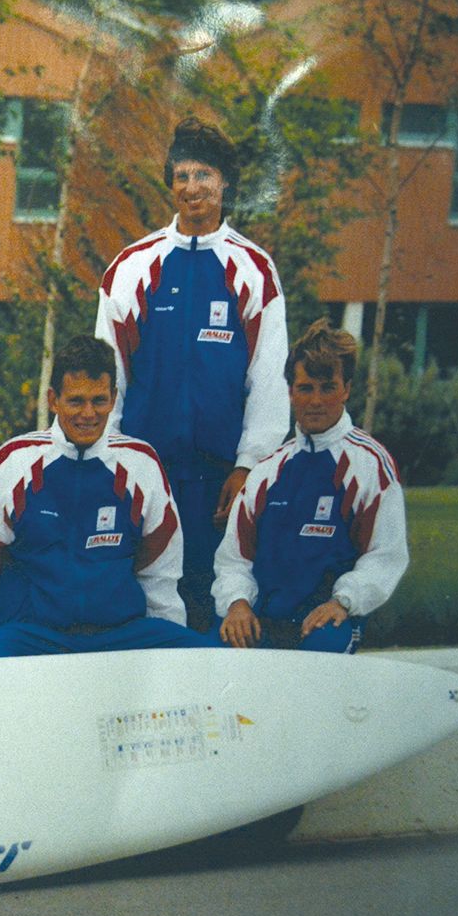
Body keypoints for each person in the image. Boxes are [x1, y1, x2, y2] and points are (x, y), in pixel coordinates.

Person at [95, 117, 289, 632]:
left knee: (209, 598)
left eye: (203, 174)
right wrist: (110, 455)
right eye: (181, 176)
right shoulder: (132, 268)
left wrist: (248, 464)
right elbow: (107, 375)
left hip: (219, 474)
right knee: (141, 596)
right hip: (145, 468)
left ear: (225, 181)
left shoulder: (253, 270)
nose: (192, 187)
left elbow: (268, 381)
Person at [0, 336, 216, 660]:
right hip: (33, 637)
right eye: (76, 401)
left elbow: (160, 580)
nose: (88, 414)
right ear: (53, 399)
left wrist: (168, 667)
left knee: (206, 658)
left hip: (120, 635)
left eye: (99, 401)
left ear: (113, 398)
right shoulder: (15, 463)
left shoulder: (141, 465)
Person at [213, 320, 407, 652]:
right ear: (290, 392)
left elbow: (384, 556)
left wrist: (343, 602)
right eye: (305, 388)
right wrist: (238, 603)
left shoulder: (370, 466)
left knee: (314, 668)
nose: (315, 400)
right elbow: (235, 559)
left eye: (327, 387)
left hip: (328, 622)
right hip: (265, 619)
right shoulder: (267, 472)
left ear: (346, 389)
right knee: (210, 658)